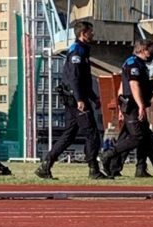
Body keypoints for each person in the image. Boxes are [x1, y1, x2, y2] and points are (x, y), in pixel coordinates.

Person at [34, 21, 110, 179]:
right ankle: (93, 170)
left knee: (70, 134)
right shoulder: (77, 51)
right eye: (91, 32)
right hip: (75, 100)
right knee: (92, 133)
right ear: (83, 33)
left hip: (74, 98)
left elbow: (83, 79)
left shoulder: (82, 50)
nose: (93, 35)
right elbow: (74, 77)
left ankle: (46, 165)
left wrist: (94, 98)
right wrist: (80, 99)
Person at [101, 39, 153, 177]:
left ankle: (150, 169)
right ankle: (108, 155)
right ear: (143, 50)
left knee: (147, 138)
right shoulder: (133, 64)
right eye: (151, 50)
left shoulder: (140, 65)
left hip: (133, 106)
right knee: (137, 137)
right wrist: (140, 106)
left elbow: (142, 90)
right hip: (133, 107)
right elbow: (133, 86)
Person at [106, 94, 153, 177]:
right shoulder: (136, 81)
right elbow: (141, 90)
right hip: (134, 112)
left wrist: (120, 109)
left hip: (130, 109)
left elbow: (121, 92)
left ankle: (147, 168)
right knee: (136, 139)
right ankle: (110, 159)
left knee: (145, 138)